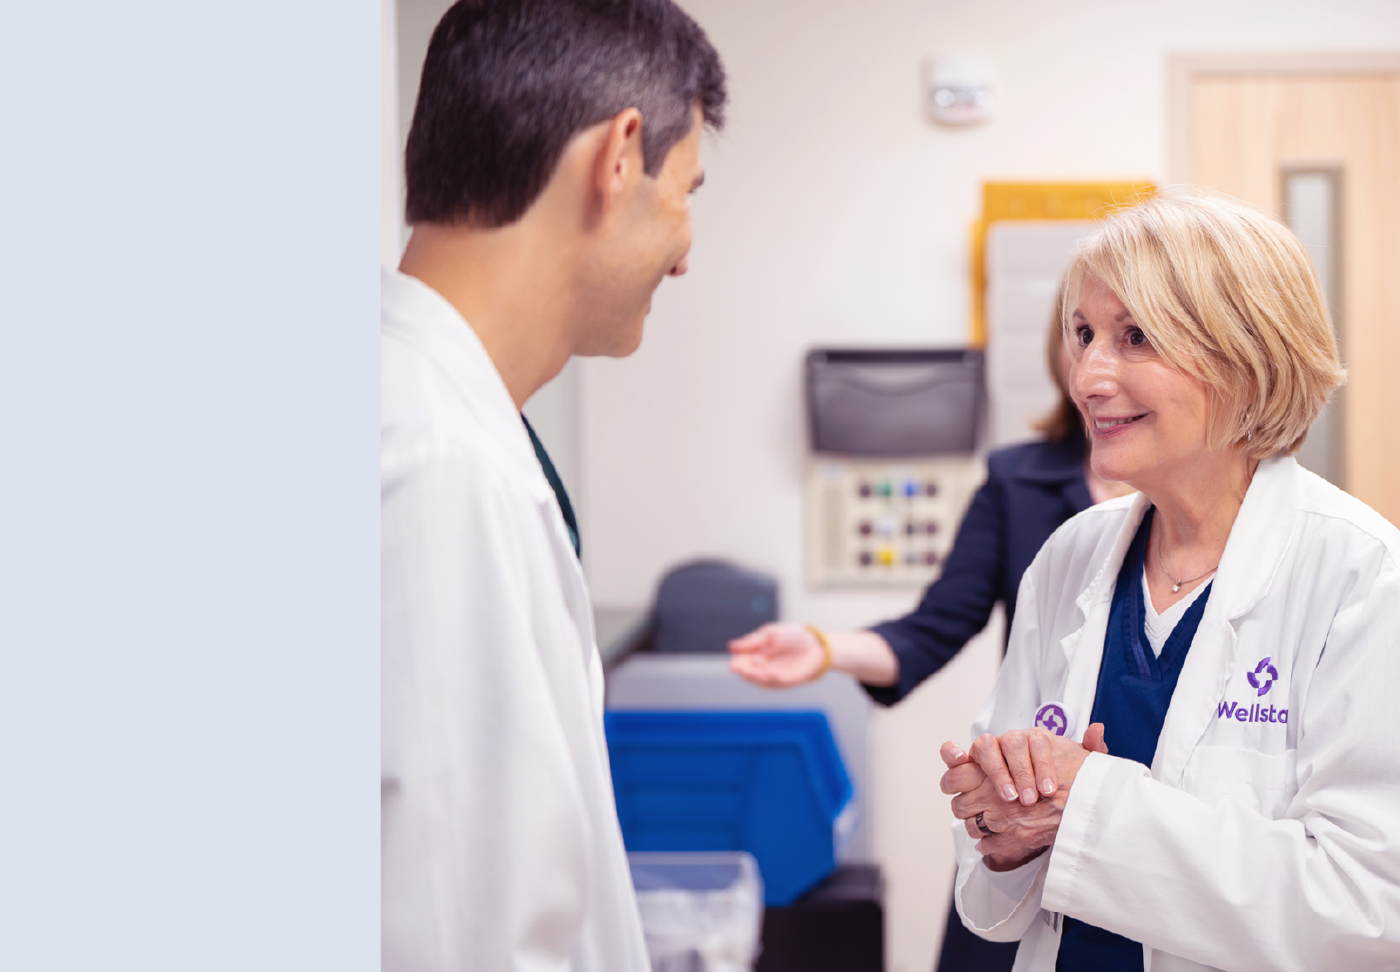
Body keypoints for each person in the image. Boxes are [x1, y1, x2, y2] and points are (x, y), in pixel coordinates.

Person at [939, 189, 1400, 971]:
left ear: (1246, 355)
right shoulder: (1071, 557)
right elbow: (993, 869)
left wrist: (1083, 803)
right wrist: (997, 828)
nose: (1087, 376)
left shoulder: (1361, 576)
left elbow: (1367, 906)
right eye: (1083, 334)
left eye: (1134, 337)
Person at [380, 2, 726, 969]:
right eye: (686, 191)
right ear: (619, 158)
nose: (686, 250)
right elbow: (450, 931)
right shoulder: (436, 465)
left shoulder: (436, 418)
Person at [729, 290, 1130, 972]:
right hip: (1021, 806)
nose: (1094, 359)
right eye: (1081, 332)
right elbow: (935, 625)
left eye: (1131, 335)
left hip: (1129, 811)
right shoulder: (1017, 481)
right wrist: (825, 649)